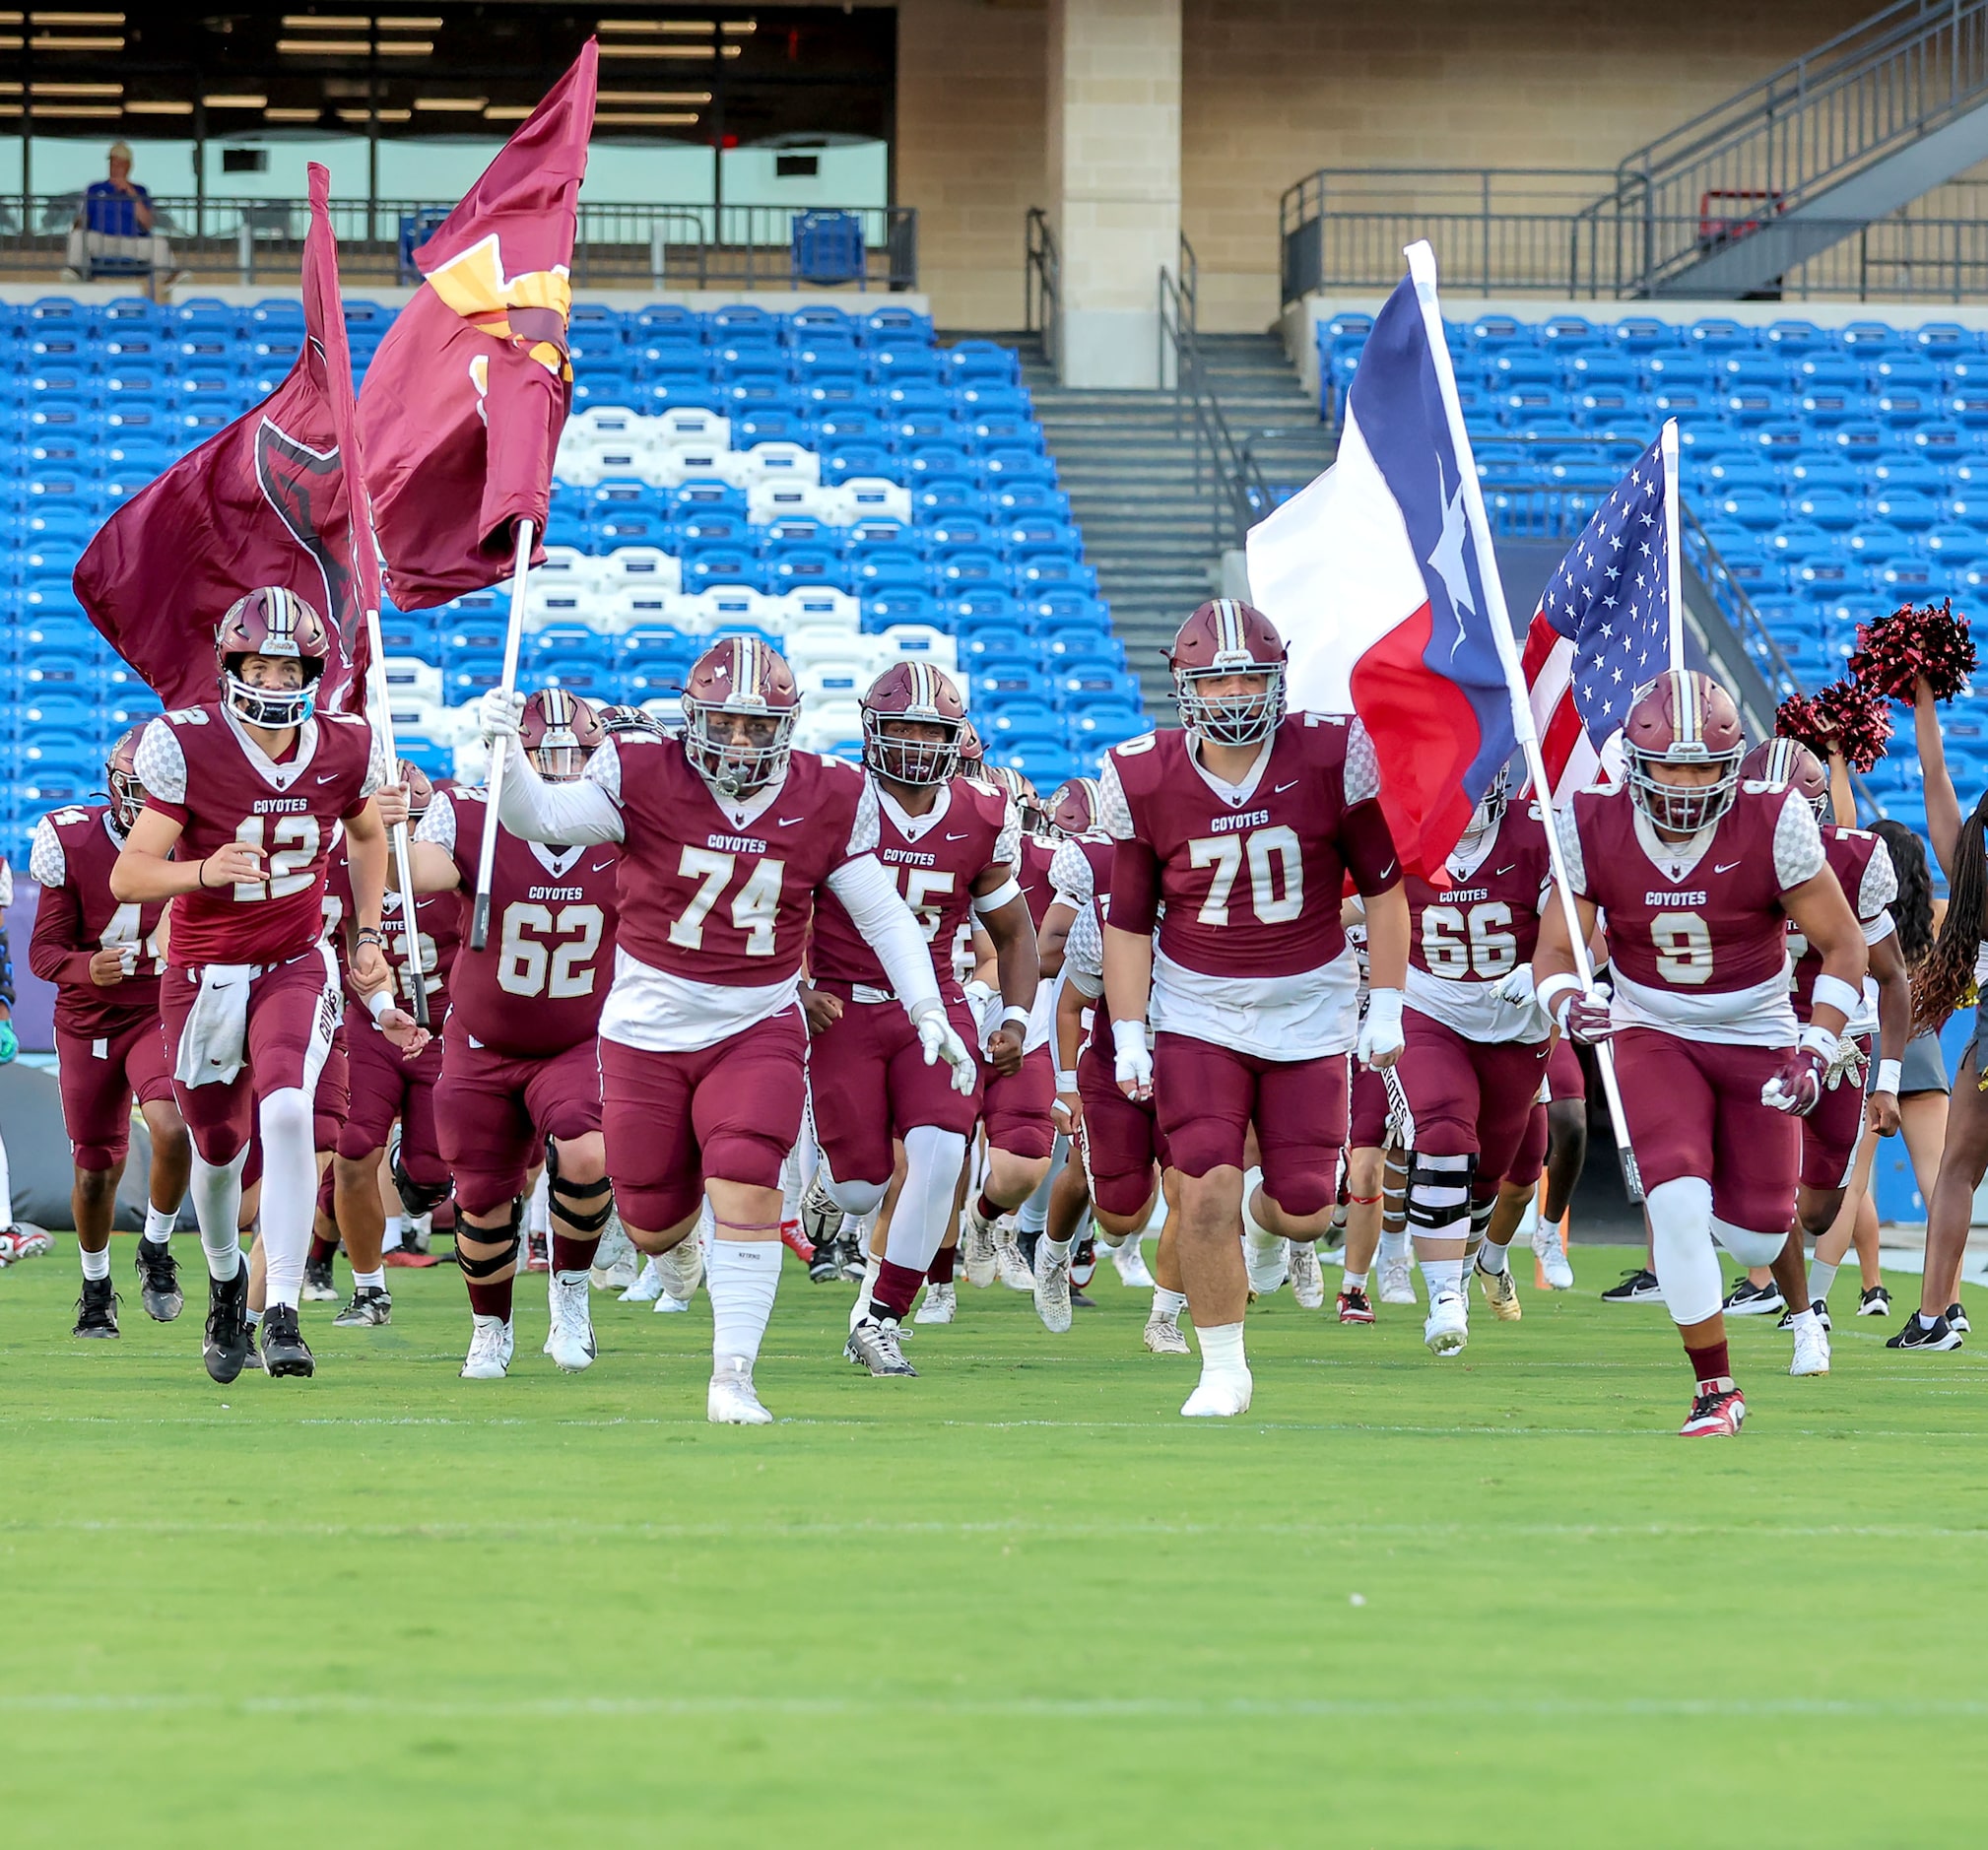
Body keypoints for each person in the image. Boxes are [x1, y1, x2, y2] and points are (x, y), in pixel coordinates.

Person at [483, 636, 975, 1423]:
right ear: (694, 716)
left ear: (785, 723)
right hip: (647, 1026)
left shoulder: (827, 791)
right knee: (651, 1222)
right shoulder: (639, 768)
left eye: (755, 724)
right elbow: (537, 815)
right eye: (726, 721)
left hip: (757, 1020)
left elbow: (882, 912)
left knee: (747, 1178)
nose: (739, 740)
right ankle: (674, 1255)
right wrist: (503, 756)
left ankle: (734, 1377)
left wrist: (928, 1010)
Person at [1531, 670, 1867, 1435]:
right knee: (1677, 1202)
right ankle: (1716, 1388)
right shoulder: (1594, 820)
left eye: (1704, 767)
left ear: (1733, 765)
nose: (1686, 785)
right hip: (1653, 1027)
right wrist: (1563, 1001)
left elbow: (1844, 945)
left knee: (1755, 1231)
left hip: (1755, 1028)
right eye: (1671, 767)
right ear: (1636, 766)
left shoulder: (1774, 818)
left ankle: (1763, 1269)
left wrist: (1816, 1047)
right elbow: (1554, 950)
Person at [1099, 599, 1409, 1419]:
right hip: (1200, 1008)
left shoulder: (1330, 751)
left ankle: (1266, 1232)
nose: (1236, 694)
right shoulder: (1143, 772)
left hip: (1310, 1007)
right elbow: (1128, 923)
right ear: (1185, 686)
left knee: (1307, 1212)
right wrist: (1129, 1030)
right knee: (1200, 1190)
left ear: (1277, 679)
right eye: (1219, 679)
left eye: (1250, 677)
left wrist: (1390, 1004)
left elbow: (1383, 891)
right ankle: (1222, 1368)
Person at [110, 587, 409, 1384]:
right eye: (261, 666)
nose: (275, 683)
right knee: (214, 1151)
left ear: (312, 672)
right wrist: (202, 869)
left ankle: (280, 1313)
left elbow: (368, 832)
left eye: (289, 668)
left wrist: (369, 934)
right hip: (204, 973)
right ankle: (222, 1277)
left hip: (292, 962)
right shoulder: (184, 742)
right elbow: (127, 873)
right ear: (232, 666)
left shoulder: (347, 744)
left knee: (286, 1111)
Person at [799, 663, 1033, 1375]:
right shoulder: (835, 800)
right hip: (844, 1007)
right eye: (899, 726)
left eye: (928, 729)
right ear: (872, 730)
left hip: (935, 1004)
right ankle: (830, 1195)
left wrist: (1017, 1016)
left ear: (953, 737)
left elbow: (1016, 933)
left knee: (941, 1153)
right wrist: (798, 984)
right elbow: (780, 906)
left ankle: (879, 1316)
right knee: (861, 1185)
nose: (912, 742)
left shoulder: (981, 814)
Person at [407, 692, 621, 1379]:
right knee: (481, 1199)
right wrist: (373, 835)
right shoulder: (471, 812)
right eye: (542, 755)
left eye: (576, 756)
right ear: (510, 756)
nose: (559, 771)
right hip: (481, 1040)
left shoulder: (624, 824)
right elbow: (418, 876)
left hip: (576, 1036)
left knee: (588, 1156)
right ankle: (490, 1326)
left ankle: (571, 1291)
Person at [1726, 739, 1907, 1367]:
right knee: (1768, 1196)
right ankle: (1804, 1317)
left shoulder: (1854, 861)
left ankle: (1771, 1247)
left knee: (1822, 1201)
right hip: (1760, 1036)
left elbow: (1892, 976)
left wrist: (1888, 1079)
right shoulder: (1723, 857)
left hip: (1839, 1048)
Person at [29, 727, 191, 1336]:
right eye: (137, 789)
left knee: (173, 1128)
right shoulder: (71, 838)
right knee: (95, 1170)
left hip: (159, 1006)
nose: (150, 803)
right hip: (88, 1017)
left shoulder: (194, 840)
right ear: (114, 786)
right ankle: (96, 1285)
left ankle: (155, 1247)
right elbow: (44, 950)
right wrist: (83, 966)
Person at [1390, 763, 1555, 1354]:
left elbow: (1587, 930)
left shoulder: (1538, 833)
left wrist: (1542, 971)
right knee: (1441, 1127)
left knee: (1488, 1174)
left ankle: (1460, 1272)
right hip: (1430, 1007)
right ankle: (1442, 1297)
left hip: (1519, 1024)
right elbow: (1356, 908)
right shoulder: (1398, 830)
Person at [325, 761, 458, 1330]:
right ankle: (368, 1287)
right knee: (353, 1152)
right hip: (371, 1027)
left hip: (446, 1031)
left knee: (430, 1179)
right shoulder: (342, 865)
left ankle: (417, 1165)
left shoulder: (459, 866)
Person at [63, 142, 175, 300]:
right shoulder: (95, 188)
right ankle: (77, 271)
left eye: (119, 163)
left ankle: (165, 280)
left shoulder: (140, 190)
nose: (114, 167)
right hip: (102, 241)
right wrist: (78, 224)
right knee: (77, 236)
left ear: (128, 166)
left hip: (131, 243)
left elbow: (147, 223)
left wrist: (130, 192)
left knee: (159, 243)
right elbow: (83, 219)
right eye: (112, 163)